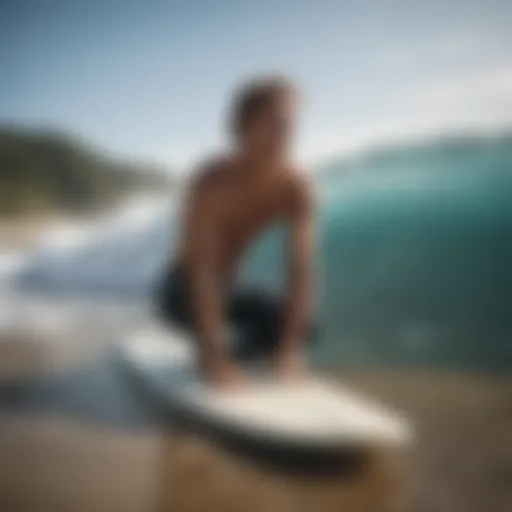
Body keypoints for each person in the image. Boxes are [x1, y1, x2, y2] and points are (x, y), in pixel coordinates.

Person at [156, 75, 318, 388]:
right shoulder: (211, 183)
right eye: (276, 124)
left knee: (306, 329)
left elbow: (301, 271)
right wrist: (215, 358)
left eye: (291, 125)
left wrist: (290, 351)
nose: (287, 135)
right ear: (243, 127)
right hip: (182, 288)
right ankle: (209, 351)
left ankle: (235, 349)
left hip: (227, 289)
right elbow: (202, 273)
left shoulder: (297, 188)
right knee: (198, 316)